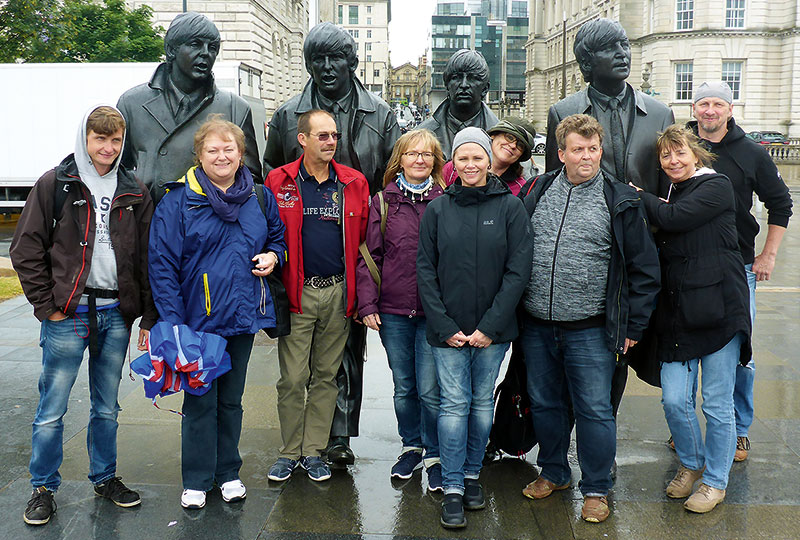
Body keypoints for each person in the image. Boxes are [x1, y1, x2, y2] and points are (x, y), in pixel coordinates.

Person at [11, 105, 157, 525]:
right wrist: (47, 307)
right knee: (52, 407)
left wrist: (147, 314)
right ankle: (42, 487)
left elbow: (146, 257)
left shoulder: (134, 189)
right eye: (100, 139)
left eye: (115, 140)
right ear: (85, 138)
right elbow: (25, 249)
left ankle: (105, 477)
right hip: (68, 314)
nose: (107, 148)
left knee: (107, 407)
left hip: (115, 313)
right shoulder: (56, 183)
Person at [263, 23, 400, 464]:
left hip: (357, 251)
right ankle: (295, 443)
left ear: (352, 62)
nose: (325, 67)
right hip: (301, 259)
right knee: (297, 365)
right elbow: (269, 183)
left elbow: (393, 182)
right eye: (316, 59)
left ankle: (337, 436)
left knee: (347, 354)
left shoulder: (380, 114)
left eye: (335, 58)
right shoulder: (287, 115)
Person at [519, 114, 660, 523]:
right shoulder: (537, 189)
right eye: (577, 149)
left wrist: (633, 327)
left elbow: (644, 270)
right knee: (544, 403)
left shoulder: (619, 200)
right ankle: (554, 471)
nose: (586, 157)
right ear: (560, 153)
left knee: (595, 409)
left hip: (592, 329)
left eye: (593, 149)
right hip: (537, 325)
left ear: (601, 151)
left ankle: (596, 487)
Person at [148, 116, 286, 509]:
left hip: (241, 318)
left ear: (241, 154)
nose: (221, 156)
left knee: (231, 401)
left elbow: (278, 239)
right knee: (199, 401)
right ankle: (196, 478)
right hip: (196, 322)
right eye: (213, 150)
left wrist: (274, 256)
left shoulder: (259, 197)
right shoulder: (178, 200)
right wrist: (173, 322)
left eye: (229, 149)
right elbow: (161, 265)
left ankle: (228, 472)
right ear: (199, 155)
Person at [417, 127, 532, 529]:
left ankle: (470, 476)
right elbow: (425, 271)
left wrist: (489, 326)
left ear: (489, 161)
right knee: (453, 404)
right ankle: (451, 486)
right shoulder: (437, 209)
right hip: (447, 331)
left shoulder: (509, 208)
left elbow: (518, 271)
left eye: (477, 157)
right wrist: (444, 324)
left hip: (492, 331)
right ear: (454, 162)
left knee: (481, 403)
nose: (470, 165)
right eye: (463, 158)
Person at [634, 125, 751, 513]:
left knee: (717, 404)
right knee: (674, 400)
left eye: (679, 153)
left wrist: (636, 197)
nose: (673, 161)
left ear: (696, 154)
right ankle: (691, 463)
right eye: (665, 156)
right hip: (678, 312)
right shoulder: (671, 192)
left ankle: (715, 482)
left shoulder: (715, 187)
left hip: (719, 310)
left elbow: (676, 218)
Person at [686, 81, 793, 461]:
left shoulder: (751, 153)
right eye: (703, 103)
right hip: (685, 266)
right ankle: (685, 424)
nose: (710, 110)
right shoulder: (680, 147)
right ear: (695, 109)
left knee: (739, 352)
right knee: (686, 347)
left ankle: (738, 425)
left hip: (737, 266)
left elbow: (780, 205)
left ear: (730, 110)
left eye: (718, 104)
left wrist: (768, 255)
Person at [265, 110, 369, 483]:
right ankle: (289, 452)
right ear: (303, 139)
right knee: (293, 378)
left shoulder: (354, 183)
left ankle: (313, 451)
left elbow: (364, 245)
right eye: (322, 135)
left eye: (334, 136)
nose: (330, 141)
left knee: (326, 376)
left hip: (339, 292)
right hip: (299, 292)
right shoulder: (279, 181)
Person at [356, 129, 446, 490]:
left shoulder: (446, 200)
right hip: (393, 310)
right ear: (400, 160)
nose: (419, 160)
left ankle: (436, 453)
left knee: (430, 388)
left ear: (436, 161)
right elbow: (369, 255)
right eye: (412, 154)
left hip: (433, 312)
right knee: (403, 386)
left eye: (427, 154)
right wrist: (367, 303)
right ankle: (411, 446)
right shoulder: (383, 201)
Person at [117, 11, 262, 202]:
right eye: (195, 44)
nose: (205, 53)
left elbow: (250, 179)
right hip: (148, 222)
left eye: (212, 48)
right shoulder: (132, 103)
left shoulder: (235, 108)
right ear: (171, 50)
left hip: (211, 224)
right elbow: (115, 172)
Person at [545, 18, 674, 196]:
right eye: (609, 48)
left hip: (644, 219)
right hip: (587, 220)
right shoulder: (563, 113)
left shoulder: (660, 114)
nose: (622, 53)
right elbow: (554, 184)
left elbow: (671, 185)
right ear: (586, 62)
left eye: (624, 45)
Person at [417, 50, 499, 159]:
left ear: (485, 89)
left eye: (472, 78)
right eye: (456, 77)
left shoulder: (503, 141)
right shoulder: (420, 135)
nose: (464, 85)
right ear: (447, 86)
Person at [442, 117, 534, 196]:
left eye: (520, 145)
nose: (513, 145)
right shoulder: (452, 169)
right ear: (493, 136)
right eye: (509, 137)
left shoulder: (521, 188)